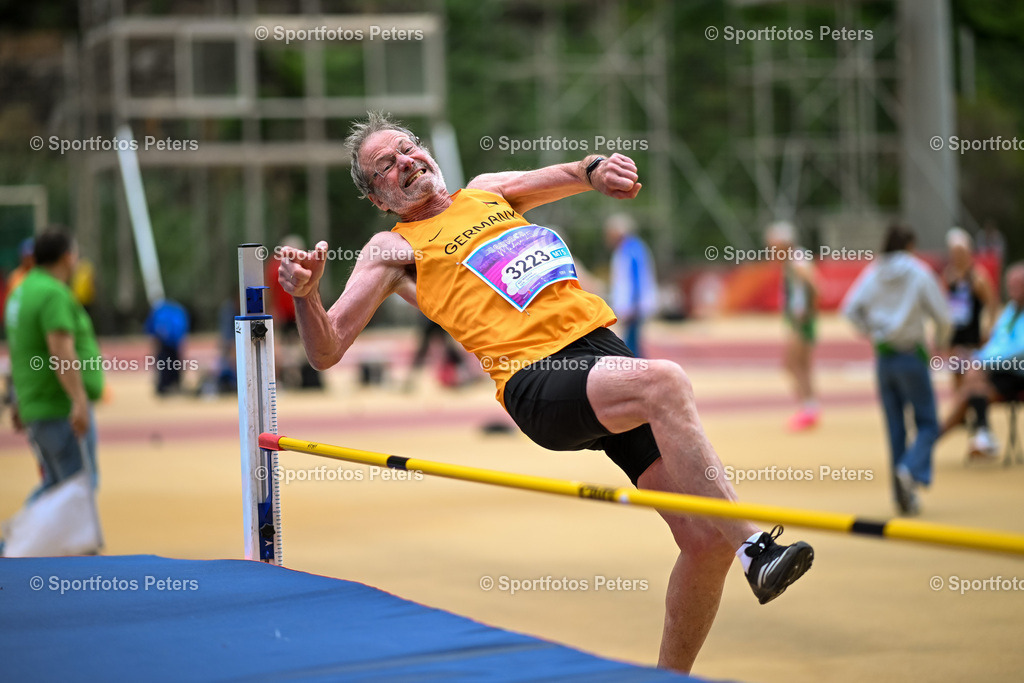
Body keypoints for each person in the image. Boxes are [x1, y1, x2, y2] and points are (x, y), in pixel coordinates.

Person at [276, 112, 813, 674]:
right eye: (386, 165)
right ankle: (757, 548)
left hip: (604, 354)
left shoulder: (486, 192)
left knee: (704, 543)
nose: (406, 162)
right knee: (667, 381)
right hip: (535, 377)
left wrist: (600, 170)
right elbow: (327, 349)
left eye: (408, 149)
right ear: (379, 200)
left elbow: (568, 172)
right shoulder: (391, 247)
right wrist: (309, 297)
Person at [2, 228, 104, 551]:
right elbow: (61, 351)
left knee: (57, 484)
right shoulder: (53, 293)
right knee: (77, 485)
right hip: (58, 407)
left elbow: (22, 351)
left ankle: (18, 541)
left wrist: (18, 399)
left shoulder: (21, 292)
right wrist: (78, 401)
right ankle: (22, 544)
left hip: (38, 404)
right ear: (67, 257)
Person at [841, 224, 951, 515]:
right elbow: (942, 314)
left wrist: (874, 330)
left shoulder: (873, 271)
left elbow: (849, 309)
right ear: (910, 245)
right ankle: (910, 468)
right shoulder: (919, 271)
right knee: (928, 422)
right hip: (911, 355)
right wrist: (941, 340)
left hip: (884, 357)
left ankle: (902, 497)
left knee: (895, 428)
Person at [939, 262, 1024, 458]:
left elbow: (1019, 349)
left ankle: (937, 435)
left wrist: (980, 359)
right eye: (1010, 286)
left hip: (1017, 373)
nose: (1012, 291)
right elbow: (998, 341)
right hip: (1002, 370)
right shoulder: (1011, 309)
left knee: (972, 379)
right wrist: (976, 357)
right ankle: (981, 434)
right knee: (972, 378)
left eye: (1017, 286)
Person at [942, 228, 1000, 456]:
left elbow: (992, 302)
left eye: (960, 251)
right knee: (956, 373)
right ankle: (963, 414)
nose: (956, 255)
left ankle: (976, 418)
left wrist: (989, 329)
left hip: (973, 335)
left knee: (972, 375)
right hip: (956, 333)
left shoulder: (977, 276)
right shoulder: (949, 274)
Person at [765, 221, 820, 431]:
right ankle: (809, 408)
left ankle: (809, 407)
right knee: (801, 365)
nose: (770, 250)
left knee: (793, 364)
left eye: (773, 246)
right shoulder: (793, 260)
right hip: (801, 319)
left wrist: (807, 313)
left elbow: (814, 286)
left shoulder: (797, 260)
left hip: (802, 320)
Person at [604, 213, 658, 356]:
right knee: (632, 341)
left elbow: (636, 279)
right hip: (633, 304)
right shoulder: (628, 248)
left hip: (634, 305)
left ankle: (640, 371)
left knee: (631, 345)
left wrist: (634, 304)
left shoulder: (631, 249)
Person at [144, 299, 189, 395]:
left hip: (166, 345)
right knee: (172, 364)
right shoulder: (177, 312)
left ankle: (167, 386)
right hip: (171, 344)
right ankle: (173, 385)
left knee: (166, 365)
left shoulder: (160, 313)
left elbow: (152, 331)